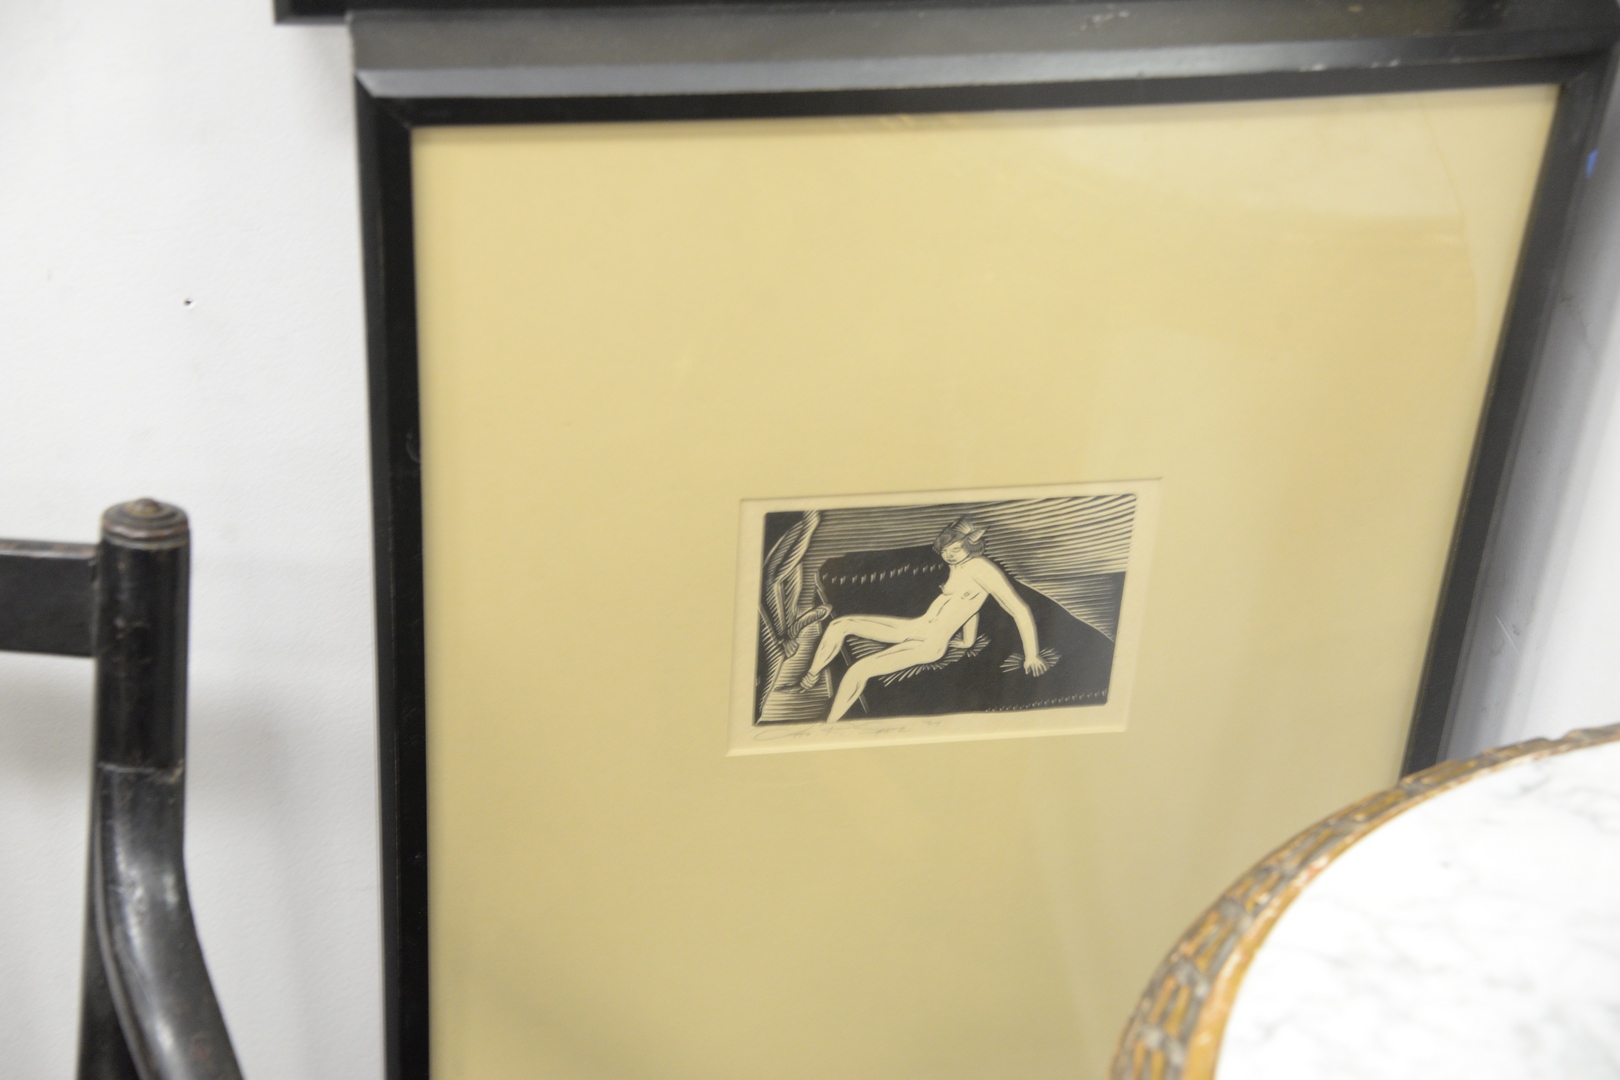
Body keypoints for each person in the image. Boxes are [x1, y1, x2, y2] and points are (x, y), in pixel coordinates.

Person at [800, 517, 1049, 722]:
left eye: (955, 549)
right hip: (914, 627)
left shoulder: (982, 568)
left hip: (929, 644)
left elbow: (1019, 609)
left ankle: (828, 728)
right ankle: (810, 677)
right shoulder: (958, 566)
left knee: (858, 670)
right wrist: (968, 641)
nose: (949, 555)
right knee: (841, 624)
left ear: (972, 545)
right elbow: (971, 605)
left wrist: (1031, 655)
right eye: (945, 550)